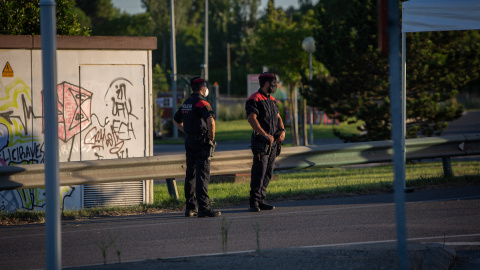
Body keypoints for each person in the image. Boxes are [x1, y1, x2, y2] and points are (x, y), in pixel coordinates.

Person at [173, 77, 221, 218]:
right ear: (202, 88)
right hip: (201, 142)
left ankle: (190, 207)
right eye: (205, 87)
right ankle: (204, 208)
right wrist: (210, 138)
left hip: (189, 141)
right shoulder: (202, 103)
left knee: (190, 174)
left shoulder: (186, 103)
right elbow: (210, 121)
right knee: (202, 175)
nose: (206, 89)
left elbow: (175, 120)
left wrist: (186, 131)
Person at [245, 72, 286, 212]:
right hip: (261, 142)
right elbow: (252, 119)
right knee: (259, 172)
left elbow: (278, 117)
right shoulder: (254, 99)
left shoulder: (272, 100)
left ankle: (262, 200)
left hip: (273, 143)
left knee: (268, 172)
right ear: (267, 84)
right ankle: (254, 203)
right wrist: (264, 134)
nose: (275, 86)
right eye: (274, 83)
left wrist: (282, 130)